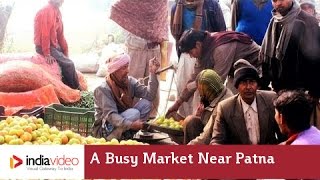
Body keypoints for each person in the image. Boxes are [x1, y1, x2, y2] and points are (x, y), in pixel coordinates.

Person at [166, 29, 261, 117]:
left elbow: (216, 82)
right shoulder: (204, 47)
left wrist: (201, 110)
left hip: (256, 68)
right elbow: (195, 77)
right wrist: (177, 103)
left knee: (234, 105)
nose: (191, 56)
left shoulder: (220, 49)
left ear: (198, 45)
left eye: (191, 52)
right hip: (236, 71)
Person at [260, 0, 320, 128]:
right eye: (275, 0)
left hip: (302, 94)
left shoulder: (308, 22)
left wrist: (315, 92)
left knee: (302, 135)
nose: (278, 3)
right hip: (280, 91)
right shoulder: (275, 21)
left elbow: (316, 59)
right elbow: (267, 57)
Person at [110, 0, 168, 118]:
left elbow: (161, 21)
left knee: (153, 83)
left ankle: (150, 118)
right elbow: (116, 8)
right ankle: (131, 118)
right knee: (132, 82)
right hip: (136, 46)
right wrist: (133, 25)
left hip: (154, 46)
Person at [171, 0, 226, 117]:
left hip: (209, 52)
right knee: (186, 86)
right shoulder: (176, 6)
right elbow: (193, 80)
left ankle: (199, 121)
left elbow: (215, 81)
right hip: (188, 53)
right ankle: (187, 122)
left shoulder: (212, 5)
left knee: (203, 90)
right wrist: (177, 104)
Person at [210, 59, 282, 145]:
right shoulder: (225, 108)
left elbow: (283, 133)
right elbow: (217, 140)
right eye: (244, 83)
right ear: (237, 86)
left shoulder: (271, 99)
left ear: (258, 85)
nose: (248, 87)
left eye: (252, 82)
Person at [92, 53, 160, 140]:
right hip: (105, 129)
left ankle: (127, 135)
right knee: (134, 113)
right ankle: (114, 137)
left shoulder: (130, 82)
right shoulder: (103, 89)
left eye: (127, 66)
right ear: (115, 71)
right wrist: (131, 125)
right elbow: (111, 116)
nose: (127, 71)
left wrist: (152, 73)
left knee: (146, 103)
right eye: (124, 68)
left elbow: (150, 95)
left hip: (123, 122)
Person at [34, 0, 80, 89]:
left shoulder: (57, 11)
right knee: (69, 64)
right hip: (43, 46)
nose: (61, 2)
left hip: (53, 45)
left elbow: (60, 35)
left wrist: (65, 52)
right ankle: (75, 90)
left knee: (67, 62)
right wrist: (47, 54)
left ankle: (70, 86)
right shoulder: (46, 10)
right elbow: (45, 34)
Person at [186, 69, 233, 145]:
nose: (200, 93)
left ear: (208, 89)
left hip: (222, 140)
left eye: (201, 90)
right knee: (192, 121)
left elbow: (206, 136)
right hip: (212, 132)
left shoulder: (223, 104)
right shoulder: (216, 93)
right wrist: (200, 114)